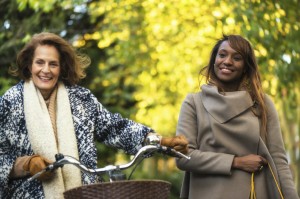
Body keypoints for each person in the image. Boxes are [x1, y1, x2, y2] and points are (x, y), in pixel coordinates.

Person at [0, 32, 188, 199]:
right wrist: (27, 164)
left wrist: (158, 140)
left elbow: (114, 127)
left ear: (61, 67)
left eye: (53, 64)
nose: (46, 70)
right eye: (40, 62)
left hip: (85, 192)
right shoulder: (11, 101)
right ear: (29, 65)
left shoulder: (81, 98)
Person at [175, 34, 299, 199]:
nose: (227, 61)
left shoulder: (262, 103)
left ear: (246, 66)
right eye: (222, 55)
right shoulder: (194, 103)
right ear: (214, 60)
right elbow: (183, 157)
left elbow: (278, 160)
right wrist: (236, 162)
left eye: (237, 57)